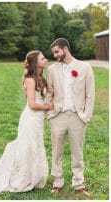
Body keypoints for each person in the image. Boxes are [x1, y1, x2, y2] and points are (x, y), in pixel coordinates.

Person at [0, 50, 54, 197]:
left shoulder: (41, 77)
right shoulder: (30, 80)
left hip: (37, 121)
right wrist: (47, 107)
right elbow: (32, 104)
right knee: (27, 147)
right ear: (36, 63)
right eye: (43, 58)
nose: (46, 60)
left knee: (35, 146)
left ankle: (35, 177)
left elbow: (43, 95)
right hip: (30, 119)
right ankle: (23, 178)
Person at [46, 38, 95, 196]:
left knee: (77, 151)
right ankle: (57, 181)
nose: (54, 55)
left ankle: (79, 184)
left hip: (77, 116)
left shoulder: (85, 67)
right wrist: (50, 114)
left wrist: (86, 115)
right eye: (53, 52)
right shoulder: (52, 69)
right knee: (56, 151)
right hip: (58, 115)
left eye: (56, 52)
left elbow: (90, 94)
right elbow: (49, 92)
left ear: (65, 49)